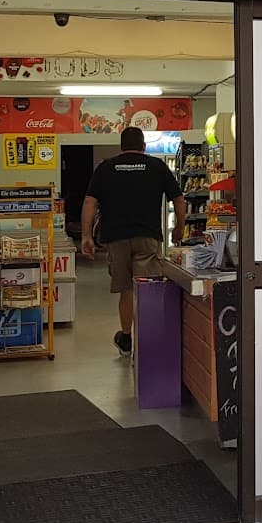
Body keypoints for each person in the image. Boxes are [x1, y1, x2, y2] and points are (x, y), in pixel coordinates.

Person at [80, 126, 182, 356]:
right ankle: (149, 339)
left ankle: (126, 337)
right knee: (148, 289)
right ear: (144, 146)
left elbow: (89, 202)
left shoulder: (106, 167)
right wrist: (180, 227)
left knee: (126, 289)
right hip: (147, 238)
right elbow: (178, 198)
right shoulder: (157, 166)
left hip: (115, 239)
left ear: (121, 146)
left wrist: (86, 236)